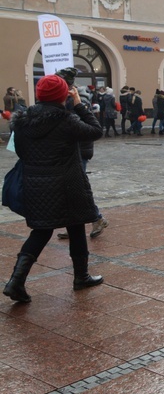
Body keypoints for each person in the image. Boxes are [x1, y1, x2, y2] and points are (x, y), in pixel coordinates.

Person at [3, 75, 104, 304]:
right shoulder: (66, 119)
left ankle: (16, 281)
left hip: (36, 184)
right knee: (76, 226)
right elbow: (95, 131)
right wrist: (78, 104)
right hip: (68, 183)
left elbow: (20, 152)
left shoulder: (22, 122)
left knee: (41, 231)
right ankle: (81, 277)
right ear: (63, 95)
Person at [56, 85, 109, 240]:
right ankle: (73, 224)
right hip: (70, 151)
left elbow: (88, 128)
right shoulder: (67, 101)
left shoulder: (79, 101)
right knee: (70, 190)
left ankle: (97, 219)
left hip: (79, 151)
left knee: (78, 190)